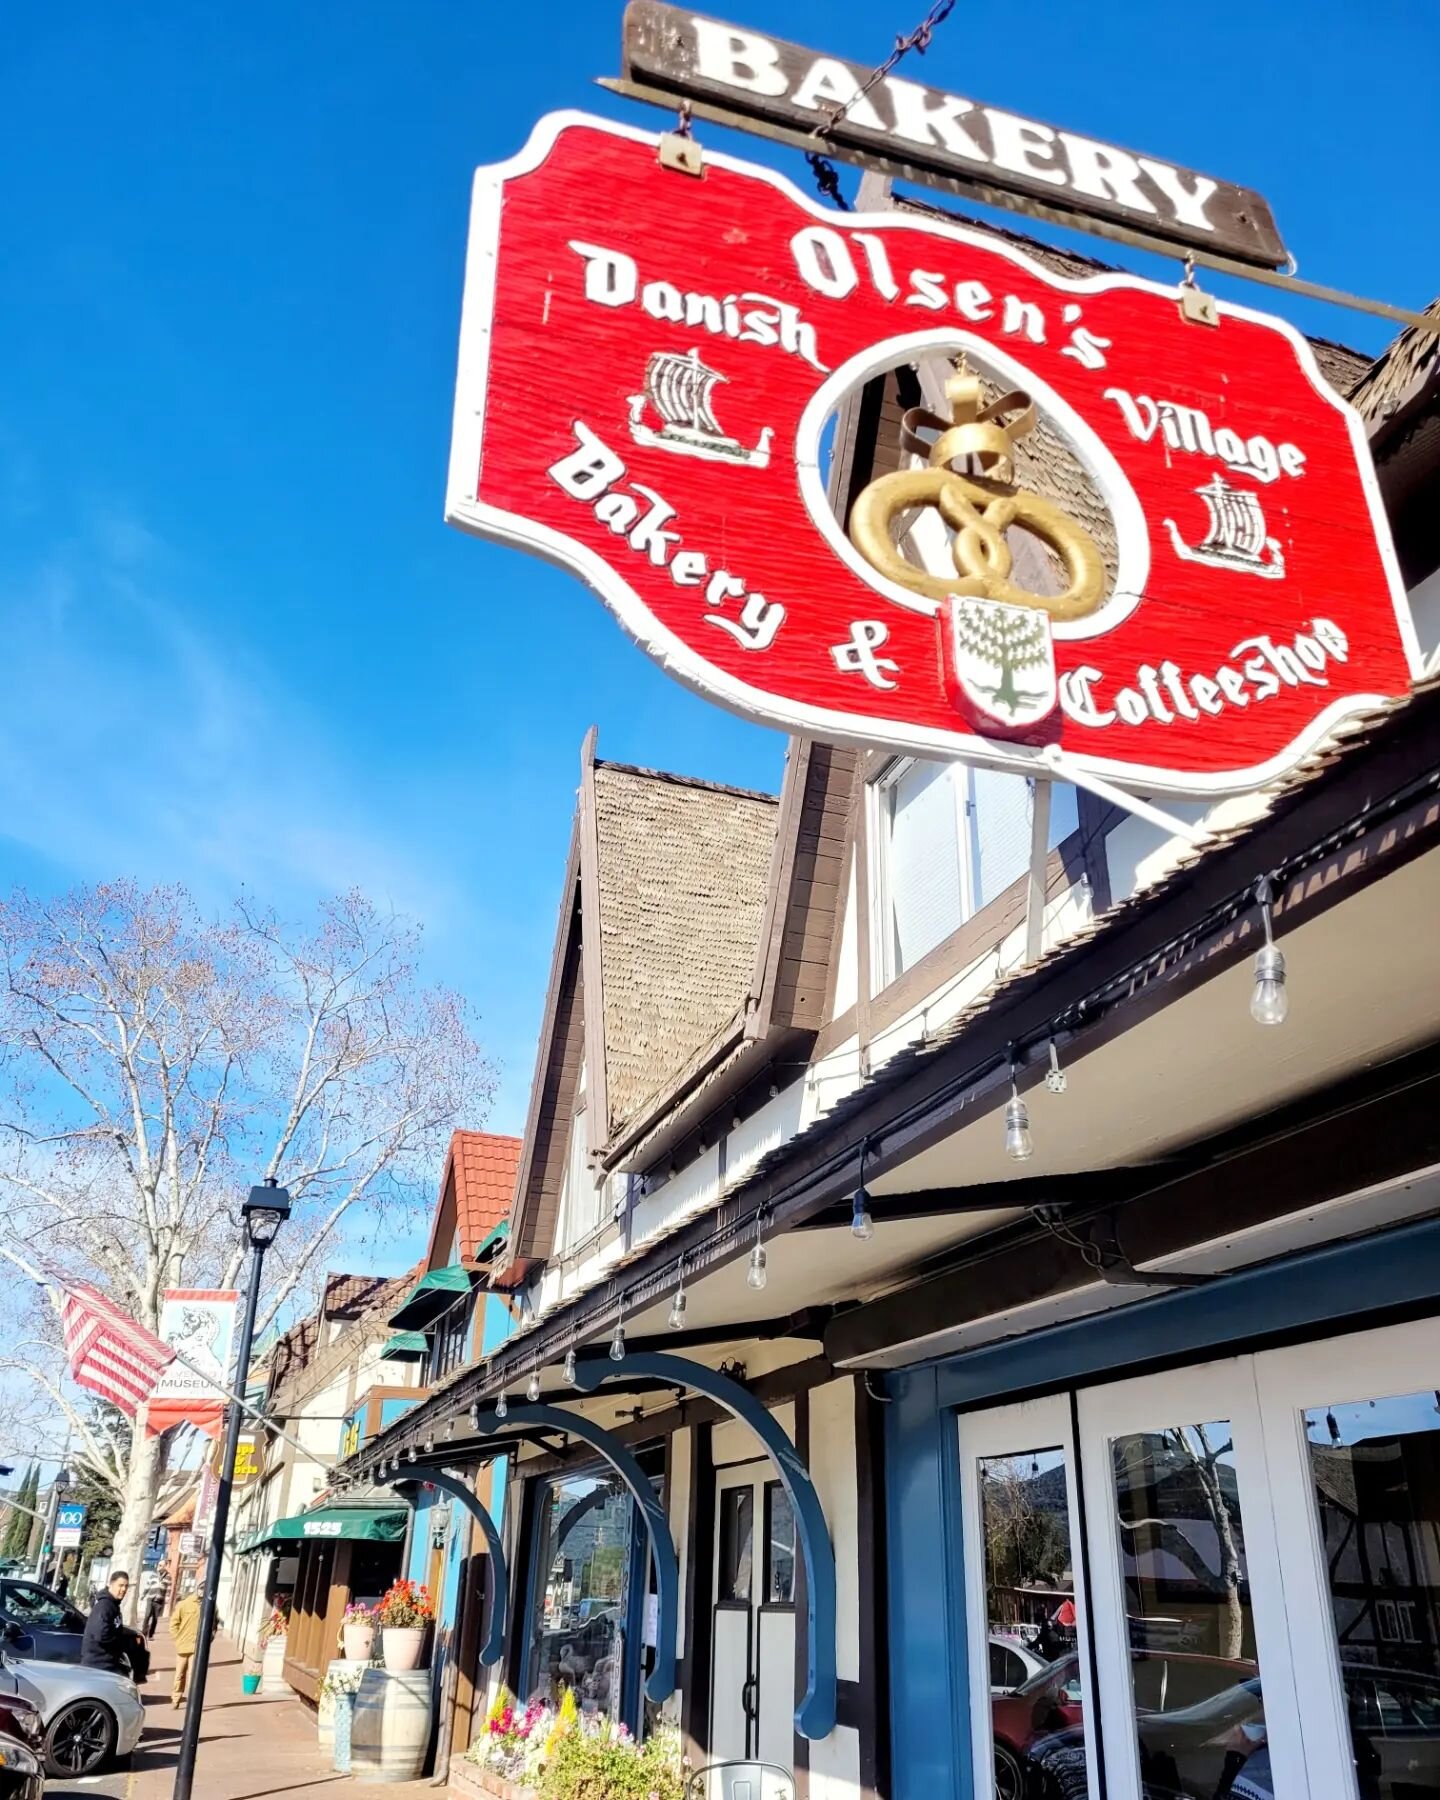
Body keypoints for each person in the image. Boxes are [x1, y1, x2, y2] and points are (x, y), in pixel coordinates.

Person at [81, 1571, 149, 1683]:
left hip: (109, 1663)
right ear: (111, 1585)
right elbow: (101, 1634)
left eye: (126, 1586)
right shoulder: (104, 1606)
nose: (123, 1589)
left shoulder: (114, 1605)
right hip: (98, 1664)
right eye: (120, 1585)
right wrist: (120, 1643)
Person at [169, 1579, 205, 1710]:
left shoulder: (207, 1606)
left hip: (197, 1647)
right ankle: (176, 1698)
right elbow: (173, 1624)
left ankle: (192, 1700)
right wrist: (177, 1639)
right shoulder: (184, 1604)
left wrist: (207, 1641)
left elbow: (213, 1625)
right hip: (183, 1646)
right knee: (179, 1674)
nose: (202, 1592)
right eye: (201, 1588)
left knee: (193, 1675)